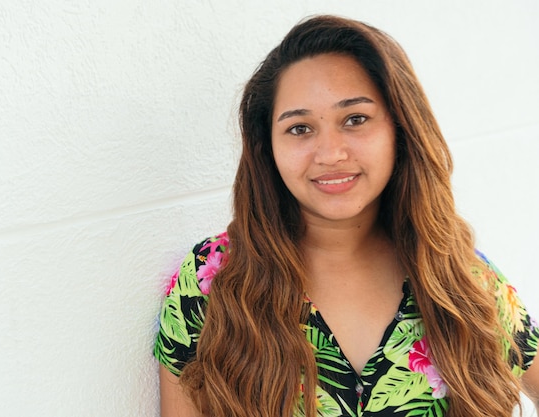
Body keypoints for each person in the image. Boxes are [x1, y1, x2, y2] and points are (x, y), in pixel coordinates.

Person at [153, 15, 539, 417]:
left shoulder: (464, 280)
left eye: (355, 119)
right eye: (300, 128)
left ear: (400, 129)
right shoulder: (213, 281)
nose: (331, 153)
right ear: (268, 146)